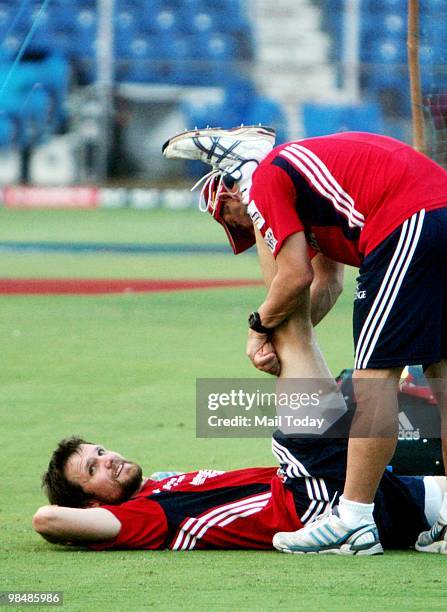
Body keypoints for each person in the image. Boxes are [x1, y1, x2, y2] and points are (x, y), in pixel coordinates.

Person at [162, 126, 447, 555]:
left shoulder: (266, 181)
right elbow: (328, 283)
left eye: (245, 225)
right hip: (433, 213)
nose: (257, 233)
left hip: (408, 222)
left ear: (229, 197)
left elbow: (294, 276)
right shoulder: (306, 186)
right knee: (443, 379)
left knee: (374, 381)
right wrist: (281, 336)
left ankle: (353, 520)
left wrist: (258, 326)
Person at [33, 434, 447, 553]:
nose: (107, 459)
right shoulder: (142, 517)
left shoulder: (161, 483)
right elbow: (46, 519)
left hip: (326, 487)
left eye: (101, 451)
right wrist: (82, 519)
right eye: (93, 468)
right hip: (309, 506)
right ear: (91, 503)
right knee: (301, 424)